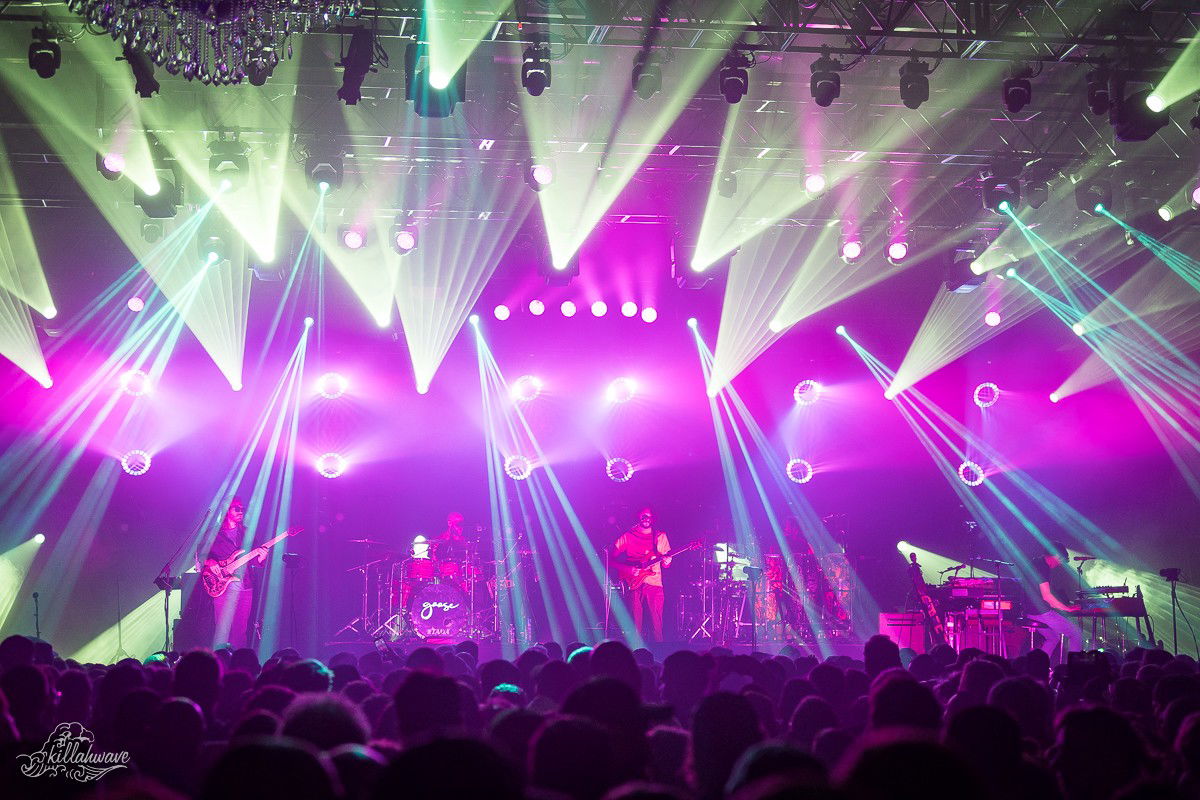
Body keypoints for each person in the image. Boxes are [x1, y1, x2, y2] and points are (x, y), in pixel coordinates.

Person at [203, 497, 267, 649]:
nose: (241, 512)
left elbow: (253, 560)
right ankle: (221, 661)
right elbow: (200, 555)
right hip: (222, 588)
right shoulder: (214, 533)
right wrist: (210, 562)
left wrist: (261, 557)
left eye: (242, 509)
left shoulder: (246, 533)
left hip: (245, 588)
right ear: (226, 510)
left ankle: (239, 661)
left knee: (240, 632)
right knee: (222, 631)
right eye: (237, 508)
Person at [614, 508, 672, 642]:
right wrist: (628, 569)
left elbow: (666, 564)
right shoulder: (629, 535)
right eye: (644, 516)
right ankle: (635, 652)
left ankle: (659, 652)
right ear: (638, 516)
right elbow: (611, 559)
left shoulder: (660, 536)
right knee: (635, 627)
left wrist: (667, 561)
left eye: (649, 516)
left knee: (656, 627)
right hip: (634, 584)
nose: (647, 518)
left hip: (654, 584)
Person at [1029, 541, 1083, 660]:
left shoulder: (1036, 562)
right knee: (1076, 634)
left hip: (1030, 611)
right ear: (1056, 555)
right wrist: (1067, 609)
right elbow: (1047, 597)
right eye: (1061, 560)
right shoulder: (1042, 567)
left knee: (1053, 638)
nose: (1059, 563)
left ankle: (1039, 666)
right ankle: (1074, 667)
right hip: (1040, 612)